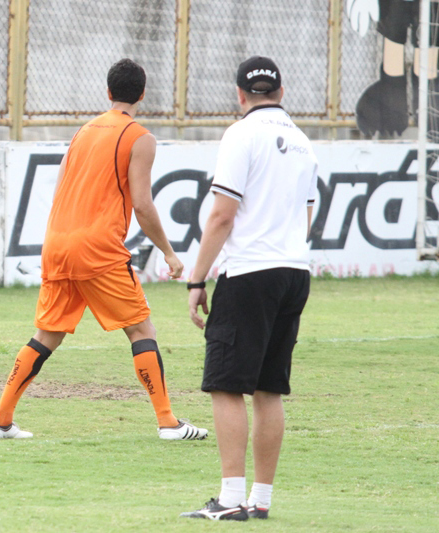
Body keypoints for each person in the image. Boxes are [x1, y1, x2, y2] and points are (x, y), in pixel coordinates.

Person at [0, 59, 208, 441]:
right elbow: (142, 204)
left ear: (108, 92)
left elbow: (60, 190)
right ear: (142, 94)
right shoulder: (140, 137)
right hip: (98, 246)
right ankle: (168, 422)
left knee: (47, 333)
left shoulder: (83, 131)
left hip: (57, 242)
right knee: (140, 327)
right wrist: (169, 253)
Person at [180, 56, 318, 520]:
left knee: (225, 384)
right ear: (281, 92)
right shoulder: (302, 143)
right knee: (268, 389)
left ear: (240, 95)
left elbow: (222, 214)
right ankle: (261, 500)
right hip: (293, 271)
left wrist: (197, 277)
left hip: (250, 272)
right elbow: (307, 215)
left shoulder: (241, 134)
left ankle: (230, 499)